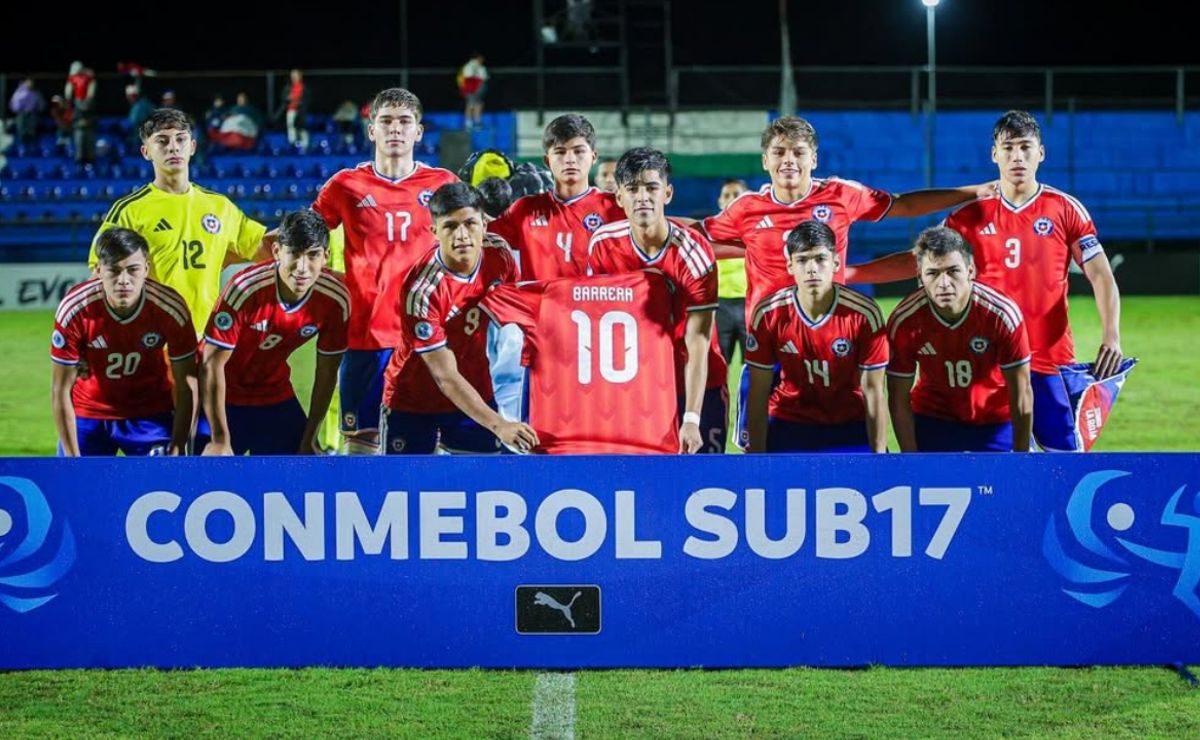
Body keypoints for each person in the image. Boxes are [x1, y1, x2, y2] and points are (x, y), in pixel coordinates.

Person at [851, 111, 1122, 452]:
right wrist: (851, 273)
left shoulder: (1065, 209)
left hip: (1050, 357)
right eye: (1008, 148)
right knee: (989, 459)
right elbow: (921, 261)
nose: (1017, 156)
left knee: (1064, 460)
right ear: (994, 154)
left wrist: (1111, 334)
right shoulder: (968, 215)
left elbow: (1100, 273)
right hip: (989, 360)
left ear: (1041, 153)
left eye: (1026, 147)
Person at [701, 115, 997, 318]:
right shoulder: (745, 207)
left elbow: (903, 205)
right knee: (758, 411)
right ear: (766, 161)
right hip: (769, 341)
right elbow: (700, 234)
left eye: (798, 152)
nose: (788, 160)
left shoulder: (841, 195)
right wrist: (656, 222)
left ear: (813, 159)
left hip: (829, 334)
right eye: (779, 153)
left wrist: (972, 192)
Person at [308, 87, 459, 454]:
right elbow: (306, 237)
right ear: (371, 130)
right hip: (365, 337)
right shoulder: (345, 185)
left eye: (405, 122)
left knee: (427, 444)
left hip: (426, 337)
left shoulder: (443, 184)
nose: (395, 129)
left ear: (418, 132)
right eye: (386, 121)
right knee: (363, 444)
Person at [587, 147, 724, 454]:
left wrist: (691, 418)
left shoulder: (695, 254)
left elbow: (698, 341)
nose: (642, 197)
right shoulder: (602, 245)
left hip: (696, 385)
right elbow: (601, 331)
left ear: (668, 193)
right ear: (619, 197)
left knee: (702, 484)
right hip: (638, 387)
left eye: (651, 187)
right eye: (632, 189)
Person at [381, 182, 534, 454]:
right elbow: (445, 377)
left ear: (485, 225)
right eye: (450, 226)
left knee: (484, 486)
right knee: (406, 491)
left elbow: (520, 311)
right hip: (413, 400)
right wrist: (500, 425)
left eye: (470, 223)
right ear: (434, 232)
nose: (462, 235)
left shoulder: (499, 255)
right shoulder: (423, 291)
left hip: (475, 387)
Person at [89, 108, 268, 335]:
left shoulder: (220, 206)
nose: (173, 147)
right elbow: (99, 276)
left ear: (192, 147)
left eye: (181, 139)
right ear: (146, 152)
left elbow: (264, 248)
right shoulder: (129, 210)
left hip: (207, 340)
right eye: (162, 141)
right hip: (151, 342)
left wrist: (316, 224)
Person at [197, 210, 349, 456]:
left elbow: (327, 371)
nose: (302, 268)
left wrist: (310, 437)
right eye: (294, 254)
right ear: (277, 251)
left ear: (326, 257)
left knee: (303, 474)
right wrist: (219, 438)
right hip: (219, 395)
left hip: (272, 393)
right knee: (202, 478)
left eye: (312, 256)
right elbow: (211, 365)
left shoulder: (335, 299)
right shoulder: (245, 289)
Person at [482, 271, 682, 454]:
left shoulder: (545, 295)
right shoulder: (656, 287)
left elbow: (488, 298)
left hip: (558, 443)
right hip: (649, 440)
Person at [51, 228, 197, 456]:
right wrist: (71, 459)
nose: (124, 280)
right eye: (114, 271)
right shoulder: (75, 309)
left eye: (133, 270)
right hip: (88, 415)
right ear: (98, 270)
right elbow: (60, 390)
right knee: (74, 488)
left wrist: (178, 445)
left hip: (150, 415)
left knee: (160, 488)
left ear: (146, 269)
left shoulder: (170, 309)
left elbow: (187, 384)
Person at [744, 221, 888, 453]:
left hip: (850, 422)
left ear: (836, 262)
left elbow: (873, 391)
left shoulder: (864, 314)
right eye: (802, 260)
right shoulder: (769, 313)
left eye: (820, 259)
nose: (812, 269)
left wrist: (879, 455)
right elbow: (758, 390)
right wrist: (758, 457)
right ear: (790, 266)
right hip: (789, 420)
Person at [886, 227, 1033, 452]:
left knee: (1012, 485)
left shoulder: (1002, 315)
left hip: (996, 420)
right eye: (933, 273)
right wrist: (910, 459)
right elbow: (898, 396)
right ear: (919, 277)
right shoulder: (905, 321)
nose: (944, 283)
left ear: (970, 270)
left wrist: (1022, 457)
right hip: (933, 418)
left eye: (953, 271)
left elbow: (1021, 390)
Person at [487, 113, 625, 280]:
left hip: (595, 305)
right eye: (560, 152)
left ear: (593, 157)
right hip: (538, 305)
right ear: (547, 160)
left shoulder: (616, 207)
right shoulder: (525, 209)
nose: (570, 160)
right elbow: (479, 235)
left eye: (578, 151)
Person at [714, 178, 749, 362]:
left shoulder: (757, 230)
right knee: (718, 364)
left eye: (737, 195)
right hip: (720, 306)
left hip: (749, 305)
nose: (731, 199)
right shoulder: (709, 230)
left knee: (754, 365)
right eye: (727, 195)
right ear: (720, 201)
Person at [65, 61, 97, 163]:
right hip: (78, 109)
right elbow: (68, 91)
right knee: (79, 143)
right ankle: (79, 160)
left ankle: (90, 159)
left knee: (89, 143)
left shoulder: (89, 77)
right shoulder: (72, 78)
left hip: (88, 120)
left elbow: (92, 88)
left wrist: (89, 98)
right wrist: (69, 98)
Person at [9, 78, 44, 146]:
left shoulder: (36, 93)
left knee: (31, 131)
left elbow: (41, 103)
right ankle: (21, 147)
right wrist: (16, 109)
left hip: (32, 113)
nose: (30, 84)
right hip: (21, 113)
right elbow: (14, 102)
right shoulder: (19, 92)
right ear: (25, 83)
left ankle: (31, 147)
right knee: (21, 130)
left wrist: (39, 109)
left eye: (31, 83)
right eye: (28, 83)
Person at [458, 52, 488, 130]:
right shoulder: (469, 66)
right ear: (477, 58)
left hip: (478, 89)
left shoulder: (481, 67)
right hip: (471, 89)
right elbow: (468, 77)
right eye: (481, 59)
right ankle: (468, 123)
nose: (482, 60)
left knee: (478, 105)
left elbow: (484, 77)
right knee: (470, 105)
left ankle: (477, 122)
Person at [283, 68, 309, 151]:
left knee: (302, 128)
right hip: (291, 110)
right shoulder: (288, 87)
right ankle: (292, 144)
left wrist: (299, 102)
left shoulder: (304, 87)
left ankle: (305, 146)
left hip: (300, 111)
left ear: (300, 76)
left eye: (295, 75)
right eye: (292, 76)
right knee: (290, 127)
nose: (293, 77)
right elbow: (284, 98)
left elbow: (306, 99)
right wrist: (288, 98)